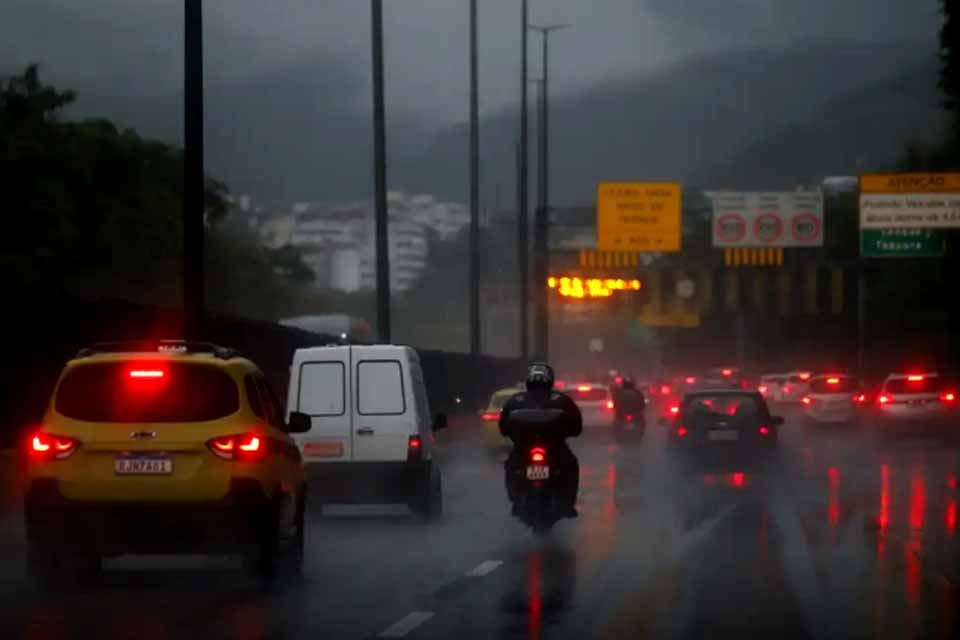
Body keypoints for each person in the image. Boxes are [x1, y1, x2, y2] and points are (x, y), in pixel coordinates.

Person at [499, 362, 582, 518]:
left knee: (511, 466)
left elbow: (503, 428)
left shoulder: (515, 400)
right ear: (550, 380)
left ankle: (516, 502)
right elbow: (577, 427)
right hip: (554, 450)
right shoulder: (561, 399)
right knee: (571, 465)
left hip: (526, 450)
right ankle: (567, 505)